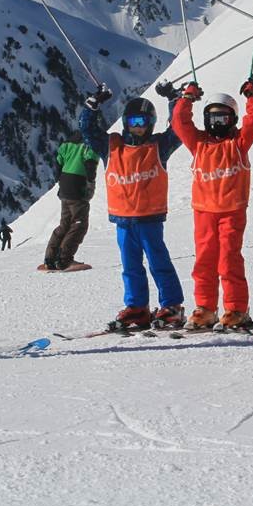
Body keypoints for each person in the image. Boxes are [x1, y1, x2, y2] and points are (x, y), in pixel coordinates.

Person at [80, 86, 185, 329]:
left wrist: (175, 100)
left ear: (151, 123)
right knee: (130, 266)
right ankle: (137, 307)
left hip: (150, 219)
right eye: (133, 121)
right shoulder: (111, 146)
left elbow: (179, 130)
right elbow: (88, 131)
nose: (138, 127)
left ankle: (172, 306)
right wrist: (92, 106)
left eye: (143, 122)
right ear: (125, 122)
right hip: (123, 220)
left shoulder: (159, 146)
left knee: (159, 263)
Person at [168, 76, 253, 329]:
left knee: (229, 260)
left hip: (232, 211)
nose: (217, 124)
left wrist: (251, 98)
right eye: (213, 119)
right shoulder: (198, 143)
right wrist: (187, 98)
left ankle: (236, 309)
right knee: (204, 261)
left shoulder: (238, 143)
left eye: (223, 119)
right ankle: (205, 308)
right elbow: (179, 122)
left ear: (233, 120)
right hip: (204, 213)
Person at [41, 131, 99, 271]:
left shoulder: (69, 141)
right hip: (78, 184)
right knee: (79, 224)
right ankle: (64, 260)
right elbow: (90, 164)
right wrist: (90, 184)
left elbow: (58, 162)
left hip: (65, 184)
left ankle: (50, 259)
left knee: (65, 224)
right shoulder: (91, 141)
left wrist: (61, 181)